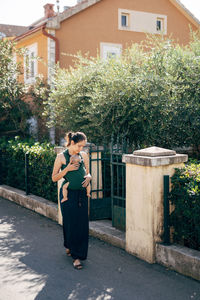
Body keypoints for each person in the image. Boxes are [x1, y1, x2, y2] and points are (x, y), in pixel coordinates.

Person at [52, 131, 91, 270]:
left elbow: (87, 172)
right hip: (68, 194)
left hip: (82, 194)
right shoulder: (61, 157)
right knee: (71, 223)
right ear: (72, 143)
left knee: (82, 224)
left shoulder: (84, 155)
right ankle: (74, 255)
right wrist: (67, 169)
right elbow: (54, 178)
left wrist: (89, 177)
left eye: (83, 146)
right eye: (80, 146)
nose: (81, 149)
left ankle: (75, 251)